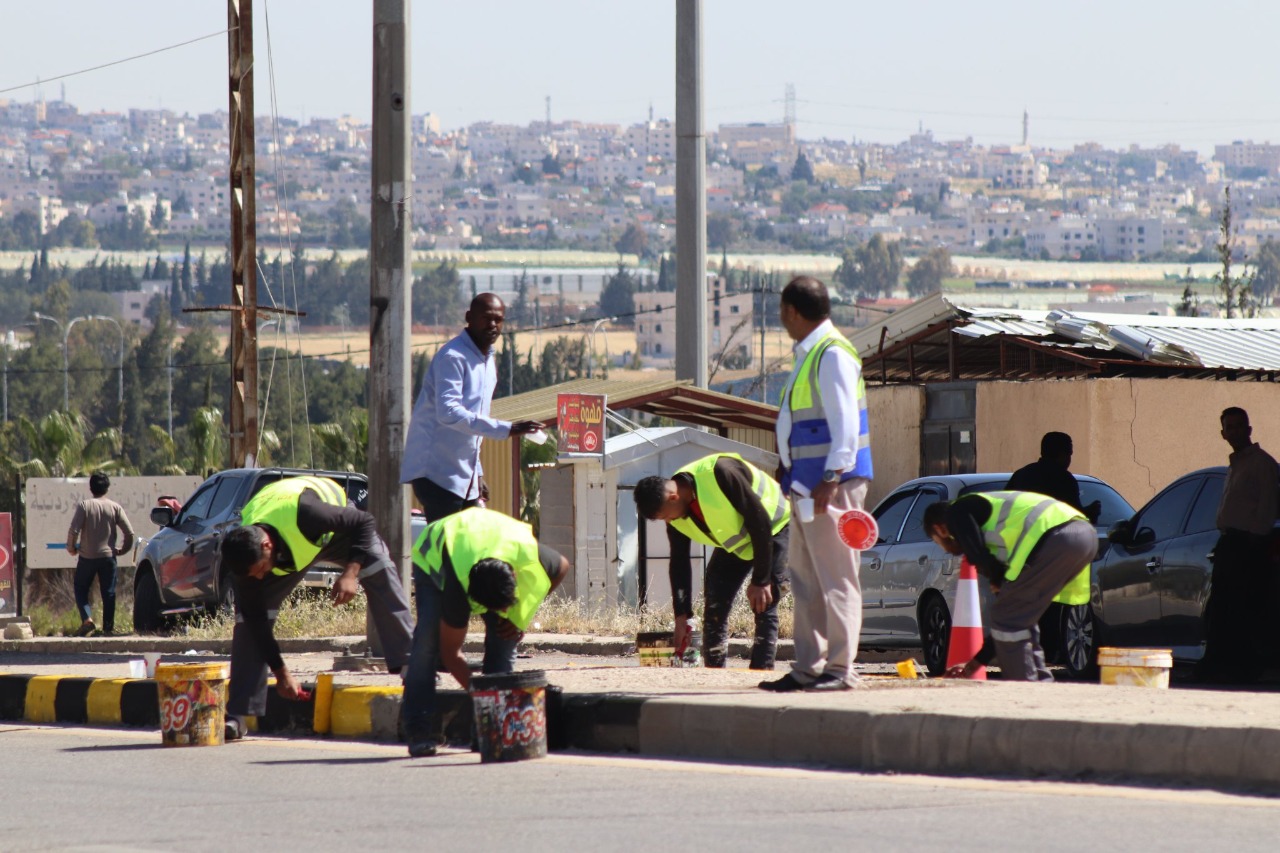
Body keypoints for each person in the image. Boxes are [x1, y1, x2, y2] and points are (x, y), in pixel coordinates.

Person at [219, 476, 414, 741]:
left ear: (266, 546)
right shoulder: (247, 565)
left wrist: (350, 573)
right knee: (247, 620)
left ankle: (411, 669)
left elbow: (364, 522)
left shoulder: (307, 513)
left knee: (379, 567)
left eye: (261, 569)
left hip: (337, 532)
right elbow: (257, 623)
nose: (260, 577)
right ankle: (238, 716)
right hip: (286, 543)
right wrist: (281, 672)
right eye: (253, 575)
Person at [761, 276, 872, 693]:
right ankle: (809, 667)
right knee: (806, 578)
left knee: (838, 578)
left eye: (782, 313)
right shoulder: (811, 354)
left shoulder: (832, 354)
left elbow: (845, 424)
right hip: (807, 488)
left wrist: (831, 477)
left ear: (792, 311)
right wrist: (788, 470)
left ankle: (841, 670)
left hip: (831, 488)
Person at [401, 507, 568, 758]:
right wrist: (484, 696)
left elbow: (562, 567)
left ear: (513, 575)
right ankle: (419, 731)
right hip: (437, 554)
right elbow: (451, 654)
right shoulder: (457, 590)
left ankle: (488, 731)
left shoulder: (530, 555)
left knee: (504, 638)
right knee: (427, 645)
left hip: (489, 540)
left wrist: (520, 619)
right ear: (473, 601)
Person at [633, 453, 790, 670]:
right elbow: (679, 562)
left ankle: (760, 672)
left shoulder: (721, 472)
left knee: (764, 601)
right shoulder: (677, 516)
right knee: (715, 599)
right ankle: (714, 672)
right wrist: (682, 616)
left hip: (773, 527)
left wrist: (761, 580)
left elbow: (759, 520)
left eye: (665, 516)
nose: (668, 522)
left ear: (673, 497)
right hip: (739, 542)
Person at [400, 293, 545, 522]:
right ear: (469, 317)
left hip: (463, 477)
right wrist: (506, 429)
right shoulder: (453, 357)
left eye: (498, 320)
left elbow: (473, 426)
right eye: (486, 318)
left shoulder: (487, 360)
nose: (493, 325)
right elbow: (449, 412)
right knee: (448, 550)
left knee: (467, 548)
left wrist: (476, 474)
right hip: (437, 473)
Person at [923, 491, 1095, 681]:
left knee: (1010, 616)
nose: (944, 548)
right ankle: (1039, 684)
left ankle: (1024, 685)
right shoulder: (1000, 535)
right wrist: (974, 665)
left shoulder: (958, 511)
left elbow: (976, 551)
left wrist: (996, 579)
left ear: (940, 529)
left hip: (1058, 538)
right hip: (1085, 537)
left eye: (937, 541)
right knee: (1018, 617)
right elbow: (1005, 623)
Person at [1195, 407, 1279, 683]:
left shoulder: (1262, 464)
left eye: (1239, 426)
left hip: (1249, 544)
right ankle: (1220, 664)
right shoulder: (1236, 464)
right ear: (1223, 433)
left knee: (1245, 606)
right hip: (1229, 541)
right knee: (1222, 606)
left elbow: (1267, 507)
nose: (1234, 432)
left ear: (1249, 430)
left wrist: (1255, 539)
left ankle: (1243, 668)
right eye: (1229, 428)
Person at [65, 472, 135, 637]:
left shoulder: (85, 506)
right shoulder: (114, 507)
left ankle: (87, 619)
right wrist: (121, 550)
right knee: (108, 593)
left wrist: (71, 548)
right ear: (107, 488)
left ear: (91, 488)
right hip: (108, 557)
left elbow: (73, 530)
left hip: (87, 557)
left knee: (80, 589)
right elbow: (130, 533)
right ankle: (108, 629)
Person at [1006, 431, 1101, 523]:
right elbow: (1073, 519)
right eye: (1069, 454)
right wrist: (1091, 513)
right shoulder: (1063, 479)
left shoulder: (1020, 474)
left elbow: (1005, 509)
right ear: (1062, 454)